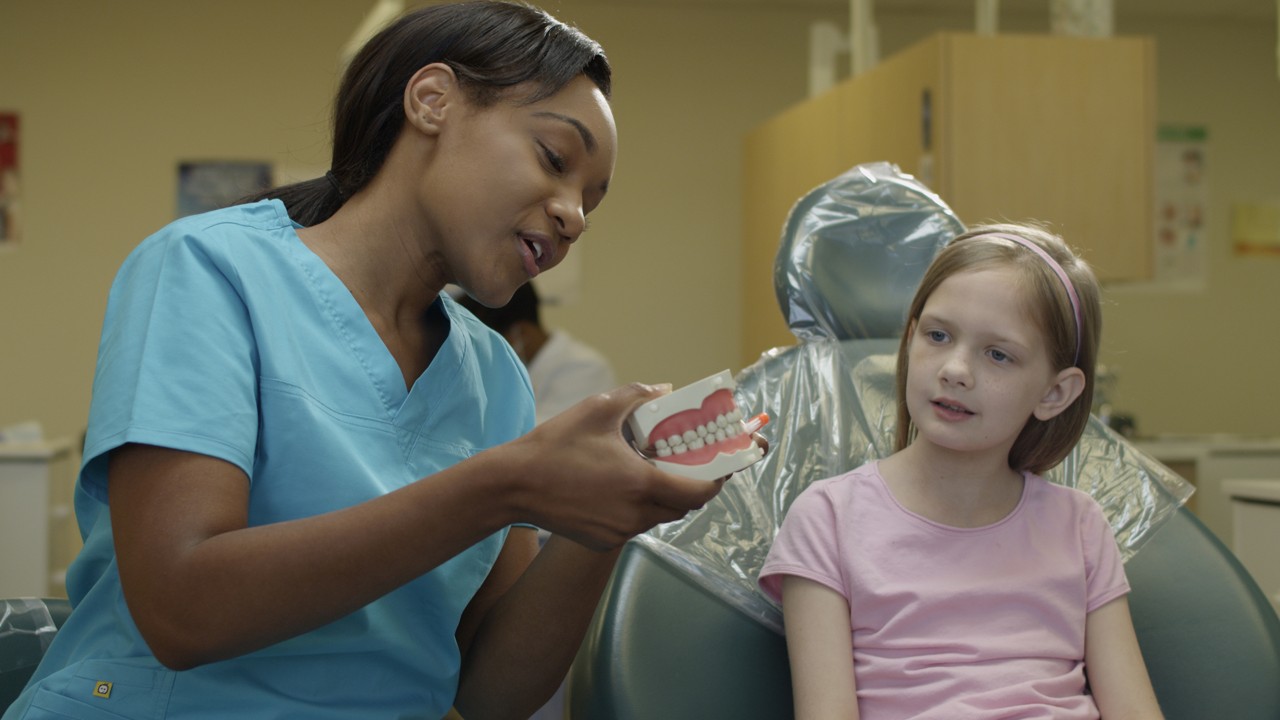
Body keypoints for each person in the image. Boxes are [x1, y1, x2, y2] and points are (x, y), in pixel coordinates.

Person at [3, 3, 733, 719]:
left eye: (591, 201)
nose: (573, 213)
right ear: (432, 100)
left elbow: (487, 692)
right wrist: (506, 486)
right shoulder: (206, 269)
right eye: (554, 159)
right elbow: (182, 611)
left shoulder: (494, 379)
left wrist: (600, 523)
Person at [758, 224, 1164, 719]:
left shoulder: (1079, 526)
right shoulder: (828, 520)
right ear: (910, 341)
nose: (955, 369)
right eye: (937, 335)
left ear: (1054, 393)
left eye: (998, 354)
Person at [458, 281, 616, 424]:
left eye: (489, 344)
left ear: (520, 333)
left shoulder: (585, 368)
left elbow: (541, 438)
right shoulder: (515, 369)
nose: (485, 355)